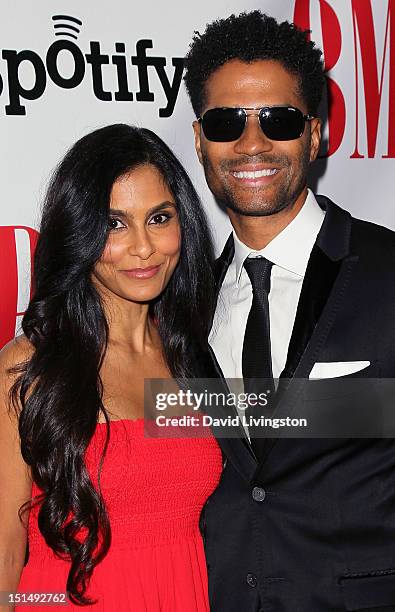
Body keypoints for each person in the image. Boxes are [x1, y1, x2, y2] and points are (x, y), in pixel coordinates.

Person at [184, 10, 395, 612]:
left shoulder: (387, 272)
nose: (252, 144)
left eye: (277, 120)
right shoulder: (179, 303)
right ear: (200, 139)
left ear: (316, 133)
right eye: (227, 123)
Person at [0, 124, 223, 611]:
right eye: (115, 224)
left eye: (159, 218)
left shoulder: (194, 357)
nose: (143, 247)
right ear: (79, 233)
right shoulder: (30, 365)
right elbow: (4, 552)